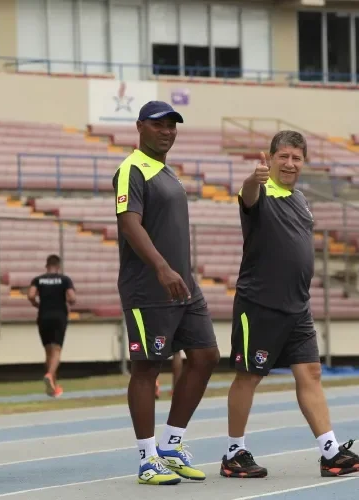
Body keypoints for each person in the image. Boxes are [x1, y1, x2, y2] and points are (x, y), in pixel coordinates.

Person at [220, 131, 359, 480]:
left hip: (297, 307)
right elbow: (247, 195)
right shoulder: (260, 193)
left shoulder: (300, 197)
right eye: (283, 157)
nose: (290, 164)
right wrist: (252, 179)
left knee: (311, 373)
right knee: (249, 376)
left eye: (297, 158)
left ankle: (330, 452)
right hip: (260, 304)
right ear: (271, 158)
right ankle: (233, 452)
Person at [114, 100, 220, 486]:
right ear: (140, 126)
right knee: (147, 368)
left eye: (173, 125)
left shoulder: (167, 172)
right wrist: (161, 267)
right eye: (159, 124)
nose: (168, 131)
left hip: (184, 287)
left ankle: (172, 446)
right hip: (148, 288)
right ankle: (147, 459)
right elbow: (129, 223)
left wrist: (181, 273)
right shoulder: (131, 169)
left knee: (206, 356)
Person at [27, 254, 76, 398]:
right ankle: (49, 375)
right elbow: (72, 297)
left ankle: (53, 387)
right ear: (58, 266)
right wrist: (69, 302)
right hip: (59, 316)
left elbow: (30, 295)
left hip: (43, 316)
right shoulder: (64, 280)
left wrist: (37, 304)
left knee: (48, 350)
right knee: (57, 350)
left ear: (46, 266)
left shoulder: (38, 279)